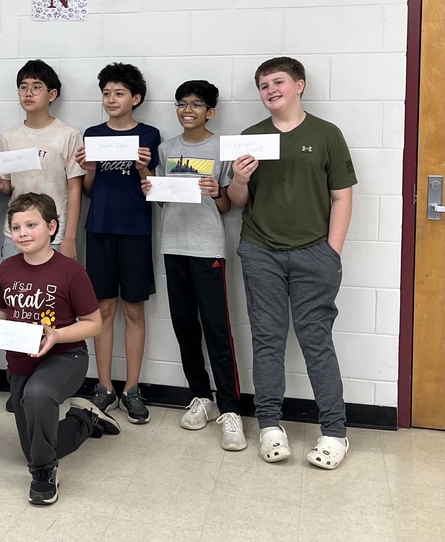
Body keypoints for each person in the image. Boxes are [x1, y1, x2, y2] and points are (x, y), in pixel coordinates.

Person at [227, 57, 357, 470]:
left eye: (278, 82)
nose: (270, 90)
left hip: (314, 254)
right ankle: (270, 426)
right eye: (263, 85)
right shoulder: (250, 137)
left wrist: (330, 251)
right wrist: (241, 179)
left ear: (299, 85)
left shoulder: (326, 134)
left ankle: (335, 432)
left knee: (316, 341)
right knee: (267, 340)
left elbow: (342, 195)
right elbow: (236, 202)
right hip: (260, 250)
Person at [0, 193, 118, 505]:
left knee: (38, 398)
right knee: (32, 448)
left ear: (52, 227)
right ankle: (84, 421)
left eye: (31, 225)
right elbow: (2, 309)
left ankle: (44, 474)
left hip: (64, 356)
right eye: (16, 228)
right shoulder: (7, 268)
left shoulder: (71, 271)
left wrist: (57, 336)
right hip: (21, 361)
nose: (23, 233)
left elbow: (94, 323)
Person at [141, 80, 245, 451]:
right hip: (173, 246)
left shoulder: (222, 147)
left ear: (210, 111)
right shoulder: (167, 148)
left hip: (209, 249)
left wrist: (216, 191)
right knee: (185, 327)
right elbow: (162, 202)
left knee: (217, 330)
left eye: (196, 104)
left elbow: (228, 206)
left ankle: (231, 409)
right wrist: (147, 183)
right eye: (181, 103)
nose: (188, 110)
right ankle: (202, 396)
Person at [76, 62, 161, 425]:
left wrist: (145, 169)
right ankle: (105, 385)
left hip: (136, 231)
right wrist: (91, 169)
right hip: (99, 230)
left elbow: (154, 190)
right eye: (107, 93)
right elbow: (89, 192)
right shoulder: (92, 133)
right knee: (103, 311)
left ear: (135, 98)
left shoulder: (150, 135)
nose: (111, 99)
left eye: (119, 93)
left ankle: (132, 388)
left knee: (134, 311)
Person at [0, 60, 84, 261]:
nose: (28, 93)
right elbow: (8, 187)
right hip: (16, 231)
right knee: (16, 289)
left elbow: (75, 188)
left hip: (54, 232)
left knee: (54, 290)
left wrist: (69, 238)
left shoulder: (69, 135)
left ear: (52, 94)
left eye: (36, 87)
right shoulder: (8, 136)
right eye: (23, 87)